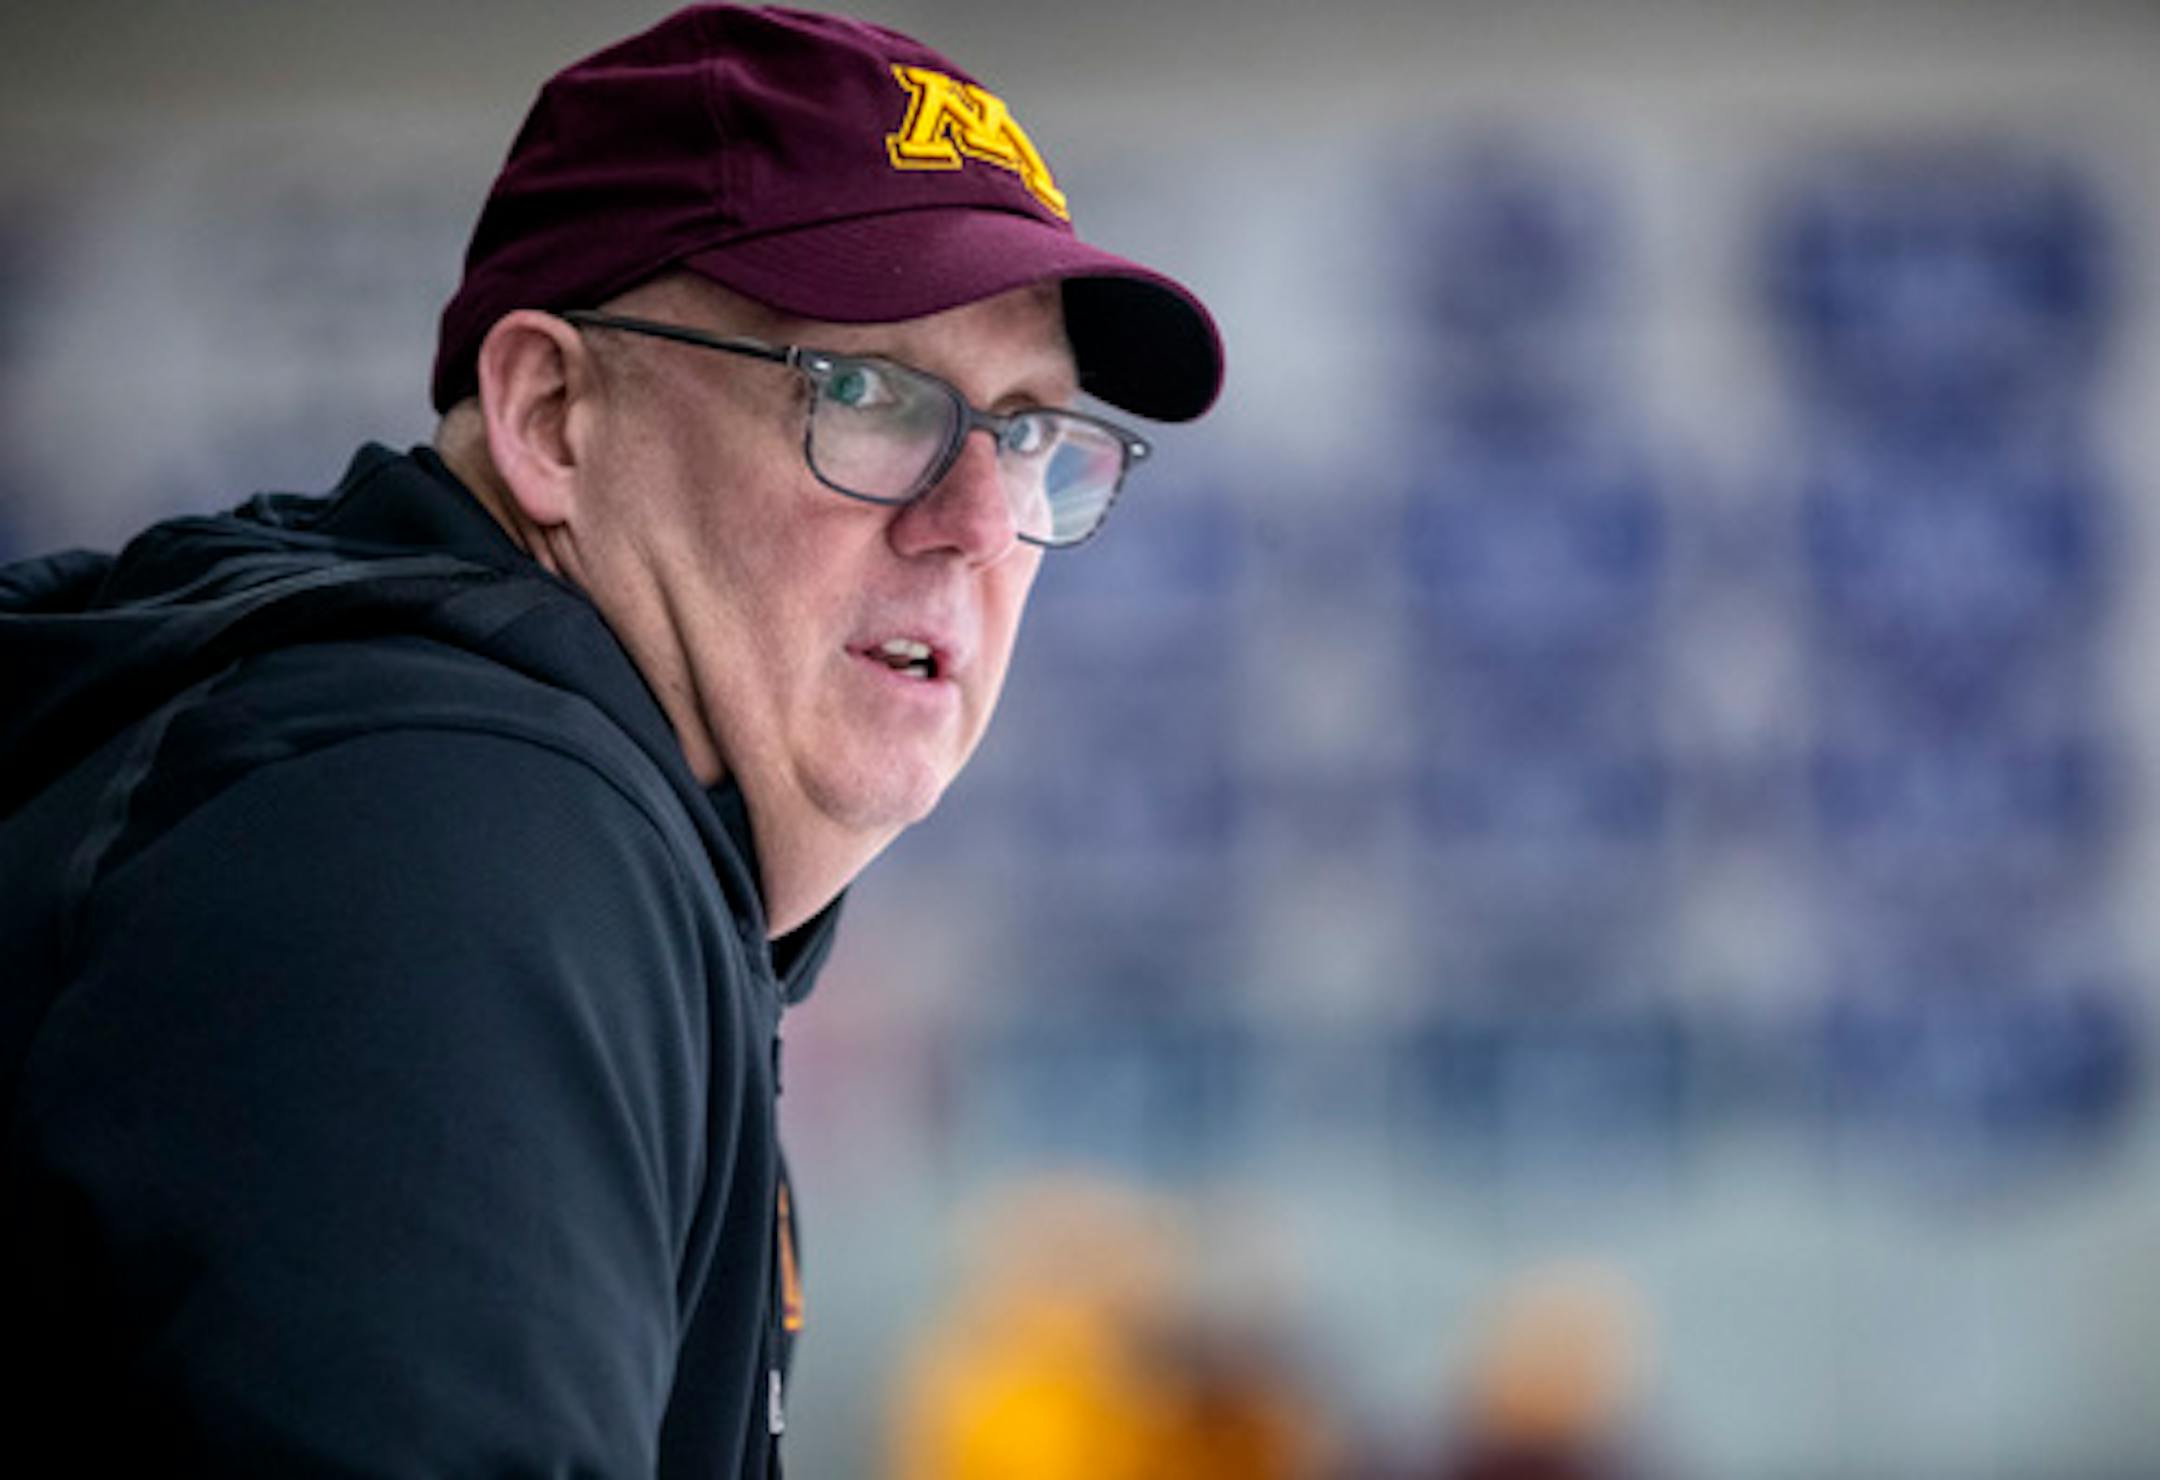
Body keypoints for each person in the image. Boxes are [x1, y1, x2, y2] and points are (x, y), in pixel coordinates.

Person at [0, 6, 1221, 1475]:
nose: (974, 525)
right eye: (867, 394)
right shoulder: (442, 836)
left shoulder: (522, 818)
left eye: (1026, 431)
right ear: (554, 416)